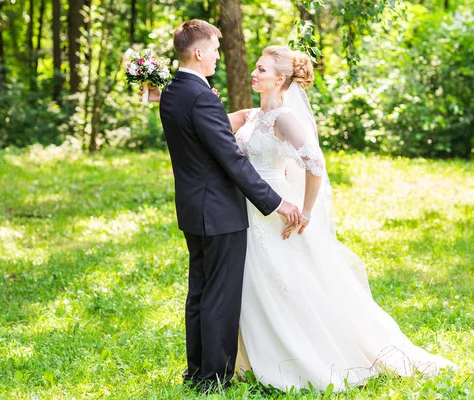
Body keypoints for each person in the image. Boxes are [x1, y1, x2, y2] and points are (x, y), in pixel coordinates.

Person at [226, 45, 457, 392]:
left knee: (286, 283)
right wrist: (164, 98)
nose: (254, 74)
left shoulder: (284, 118)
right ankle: (259, 358)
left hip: (277, 211)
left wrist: (304, 211)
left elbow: (315, 164)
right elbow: (207, 121)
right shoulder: (253, 116)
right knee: (258, 284)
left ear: (280, 78)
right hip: (250, 209)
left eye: (261, 69)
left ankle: (305, 356)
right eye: (256, 68)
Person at [144, 20, 302, 393]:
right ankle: (214, 377)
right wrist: (275, 202)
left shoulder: (174, 91)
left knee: (200, 290)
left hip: (192, 207)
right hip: (218, 210)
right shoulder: (199, 96)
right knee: (220, 294)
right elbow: (233, 160)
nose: (218, 55)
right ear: (198, 53)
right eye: (214, 49)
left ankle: (196, 369)